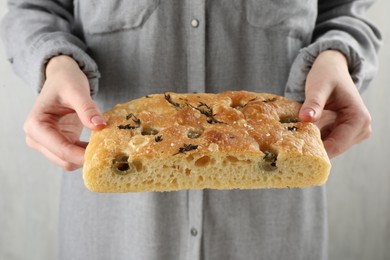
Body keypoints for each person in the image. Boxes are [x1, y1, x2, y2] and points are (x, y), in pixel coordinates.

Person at [1, 1, 381, 259]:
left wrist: (339, 53)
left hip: (274, 229)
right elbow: (32, 7)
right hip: (117, 231)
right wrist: (53, 60)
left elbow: (346, 9)